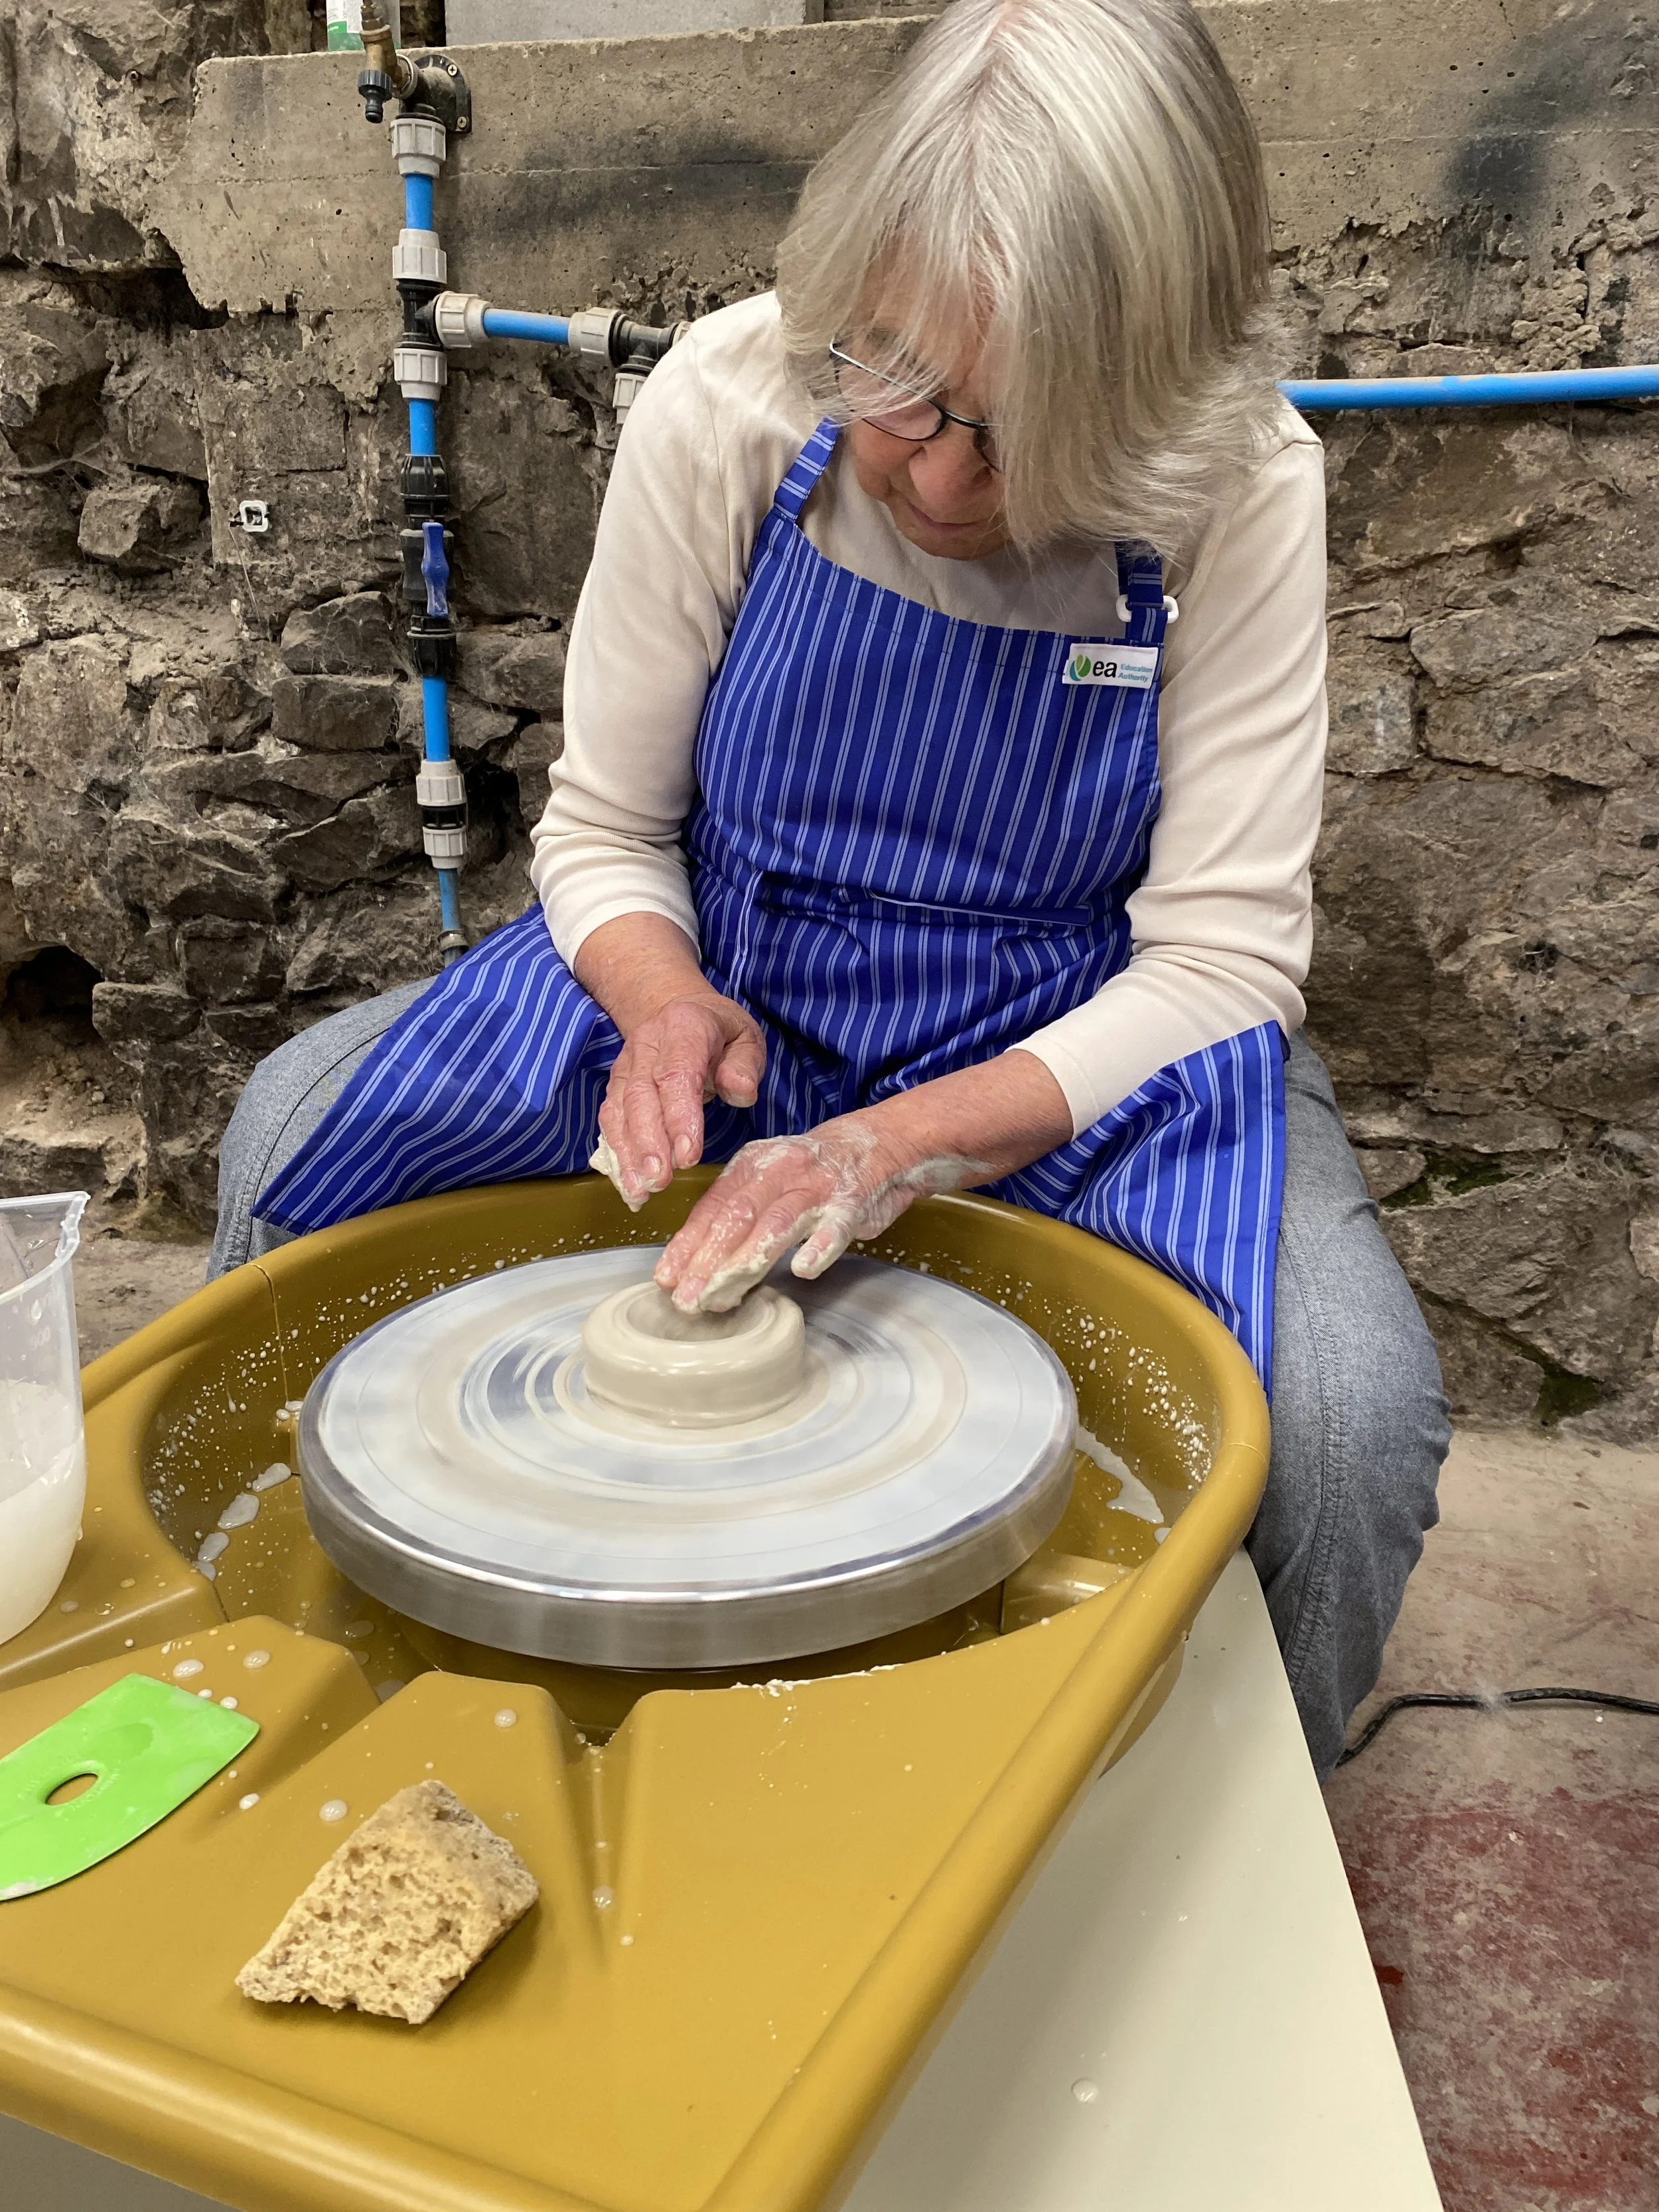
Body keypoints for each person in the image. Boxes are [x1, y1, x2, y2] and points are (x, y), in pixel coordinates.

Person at [211, 0, 1449, 1777]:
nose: (943, 476)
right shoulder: (732, 399)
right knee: (286, 1136)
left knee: (1337, 1423)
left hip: (1066, 1035)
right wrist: (657, 997)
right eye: (902, 391)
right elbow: (606, 834)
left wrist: (892, 1143)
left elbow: (1220, 962)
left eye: (1023, 437)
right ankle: (317, 1706)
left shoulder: (1236, 480)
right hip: (743, 975)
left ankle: (1222, 1833)